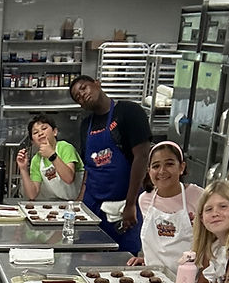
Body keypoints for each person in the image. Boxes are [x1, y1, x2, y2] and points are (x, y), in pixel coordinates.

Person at [69, 73, 153, 253]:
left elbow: (142, 157)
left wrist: (131, 204)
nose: (82, 95)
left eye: (83, 88)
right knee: (88, 259)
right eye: (77, 97)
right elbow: (89, 168)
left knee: (122, 262)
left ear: (97, 84)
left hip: (123, 207)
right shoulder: (86, 125)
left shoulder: (128, 112)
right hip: (93, 207)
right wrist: (80, 203)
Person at [130, 140, 202, 270]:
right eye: (156, 166)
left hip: (188, 277)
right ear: (149, 171)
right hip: (154, 276)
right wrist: (146, 259)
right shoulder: (145, 200)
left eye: (169, 164)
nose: (162, 171)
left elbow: (209, 243)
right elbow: (155, 244)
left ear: (181, 167)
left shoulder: (198, 196)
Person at [15, 111, 83, 201]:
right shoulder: (37, 159)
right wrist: (23, 168)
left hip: (77, 201)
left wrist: (52, 155)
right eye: (35, 133)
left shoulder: (65, 147)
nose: (40, 133)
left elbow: (69, 178)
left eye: (44, 128)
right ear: (32, 142)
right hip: (55, 204)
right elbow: (32, 194)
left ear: (55, 132)